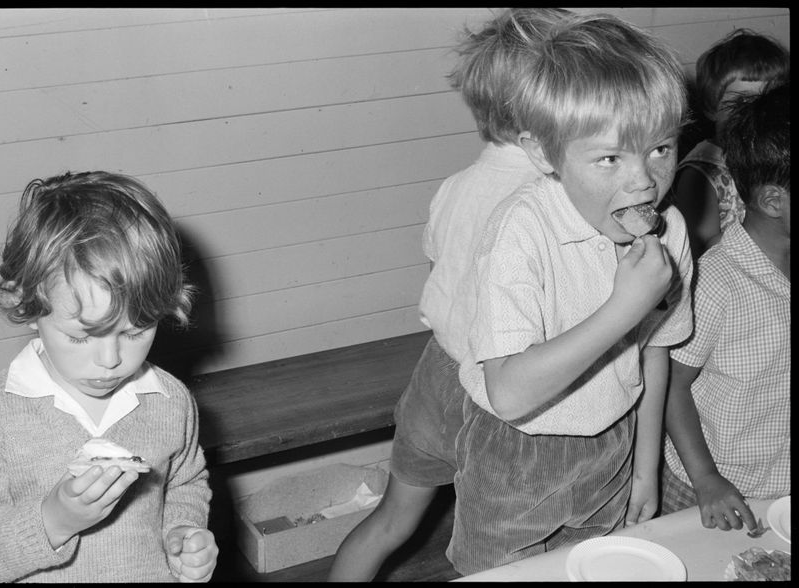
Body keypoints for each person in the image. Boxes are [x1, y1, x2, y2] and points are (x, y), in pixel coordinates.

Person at [327, 8, 573, 581]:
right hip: (498, 392)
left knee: (391, 521)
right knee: (509, 550)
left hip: (437, 375)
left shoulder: (456, 186)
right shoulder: (553, 198)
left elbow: (441, 264)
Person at [447, 14, 696, 575]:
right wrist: (624, 308)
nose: (644, 181)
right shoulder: (520, 231)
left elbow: (654, 351)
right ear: (544, 153)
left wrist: (646, 468)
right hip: (515, 450)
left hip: (613, 441)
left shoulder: (671, 229)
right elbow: (509, 393)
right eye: (610, 158)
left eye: (660, 148)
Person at [0, 171, 218, 583]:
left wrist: (183, 533)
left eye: (135, 331)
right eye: (82, 336)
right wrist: (52, 522)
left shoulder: (169, 400)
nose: (110, 360)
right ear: (27, 304)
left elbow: (185, 482)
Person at [661, 80, 790, 528]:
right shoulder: (716, 282)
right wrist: (706, 478)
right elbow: (672, 386)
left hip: (781, 483)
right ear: (773, 200)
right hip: (712, 486)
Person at [670, 29, 788, 258]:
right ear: (710, 108)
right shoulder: (701, 173)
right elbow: (703, 249)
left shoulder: (778, 153)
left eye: (768, 100)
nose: (756, 114)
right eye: (742, 102)